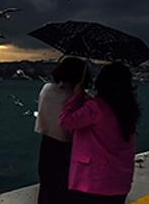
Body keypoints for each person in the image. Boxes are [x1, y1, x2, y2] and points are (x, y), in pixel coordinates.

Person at [59, 62, 140, 204]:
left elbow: (66, 122)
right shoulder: (127, 109)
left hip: (93, 182)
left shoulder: (96, 107)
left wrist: (76, 97)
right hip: (120, 181)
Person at [34, 57, 86, 204]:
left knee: (47, 186)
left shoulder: (46, 89)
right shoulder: (73, 96)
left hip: (47, 144)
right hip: (66, 148)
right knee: (63, 189)